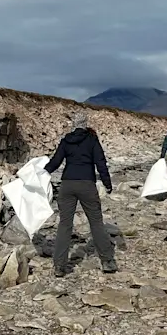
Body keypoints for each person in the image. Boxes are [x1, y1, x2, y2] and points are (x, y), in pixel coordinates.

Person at [44, 112, 118, 276]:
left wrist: (41, 174)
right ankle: (107, 261)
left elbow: (55, 162)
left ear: (73, 124)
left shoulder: (66, 140)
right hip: (87, 184)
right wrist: (107, 184)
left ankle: (59, 266)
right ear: (85, 123)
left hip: (67, 185)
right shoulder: (92, 140)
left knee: (65, 224)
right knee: (96, 223)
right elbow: (100, 163)